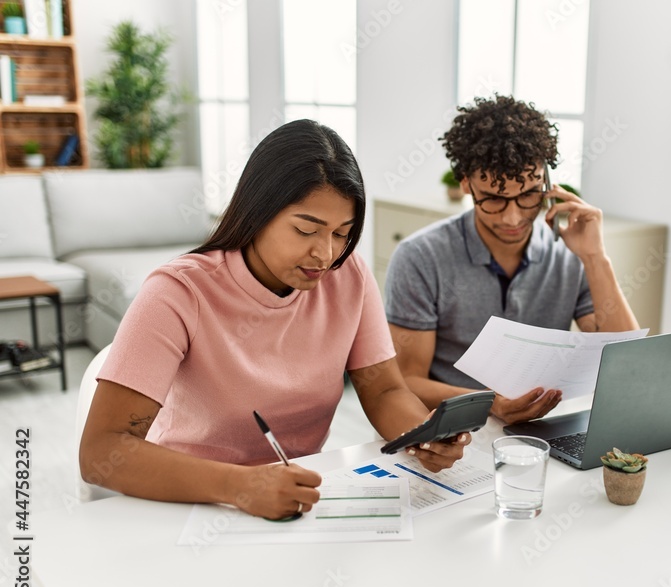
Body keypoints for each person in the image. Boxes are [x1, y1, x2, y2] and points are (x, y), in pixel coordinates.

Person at [80, 119, 471, 521]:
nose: (326, 254)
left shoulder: (349, 276)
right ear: (258, 211)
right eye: (306, 230)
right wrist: (240, 486)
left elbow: (386, 391)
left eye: (342, 233)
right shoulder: (178, 293)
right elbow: (102, 451)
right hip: (189, 503)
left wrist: (421, 435)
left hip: (293, 502)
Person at [384, 95, 640, 424]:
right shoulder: (420, 257)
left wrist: (596, 258)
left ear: (547, 182)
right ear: (466, 183)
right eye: (493, 199)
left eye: (528, 195)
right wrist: (491, 403)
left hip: (543, 430)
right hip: (456, 431)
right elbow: (406, 379)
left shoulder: (570, 253)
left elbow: (627, 364)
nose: (512, 218)